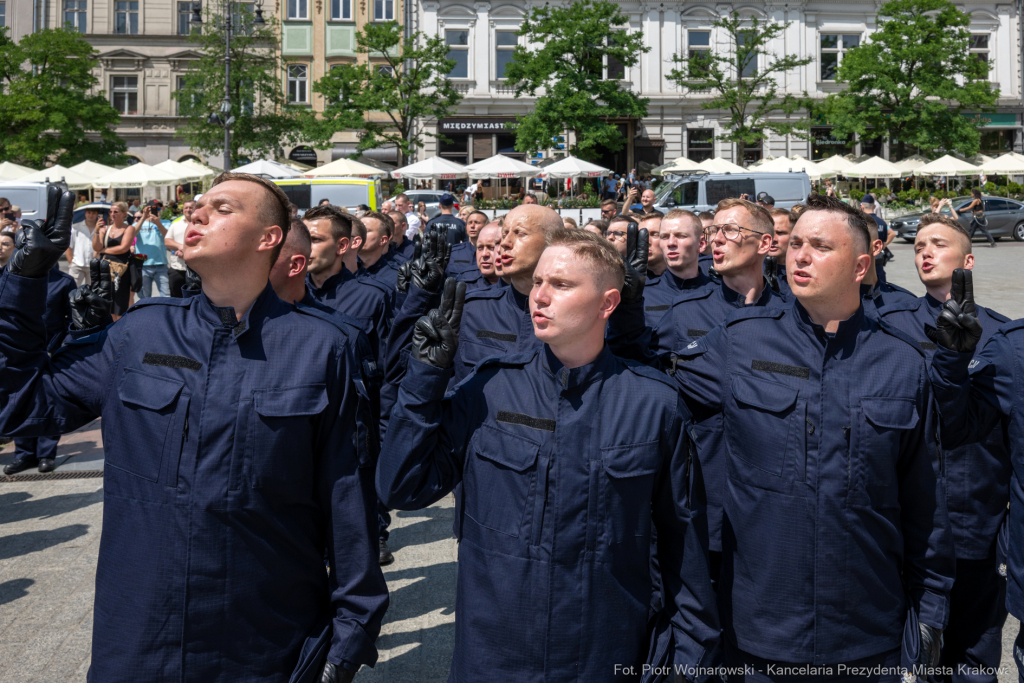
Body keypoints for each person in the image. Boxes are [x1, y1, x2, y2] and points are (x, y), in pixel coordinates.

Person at [0, 177, 388, 682]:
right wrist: (25, 283)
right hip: (140, 631)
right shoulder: (140, 331)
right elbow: (21, 409)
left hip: (263, 636)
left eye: (221, 207)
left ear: (268, 238)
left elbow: (346, 496)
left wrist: (354, 630)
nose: (197, 213)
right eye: (198, 204)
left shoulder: (321, 347)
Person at [377, 231, 719, 682]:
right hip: (495, 653)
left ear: (607, 303)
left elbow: (683, 548)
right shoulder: (490, 389)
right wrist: (424, 379)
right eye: (538, 282)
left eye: (560, 285)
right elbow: (400, 486)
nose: (539, 296)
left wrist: (687, 665)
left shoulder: (652, 403)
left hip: (603, 651)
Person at [666, 193, 953, 679]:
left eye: (820, 246)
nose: (799, 255)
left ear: (861, 265)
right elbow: (648, 398)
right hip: (758, 630)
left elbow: (927, 509)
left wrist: (930, 619)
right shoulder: (738, 342)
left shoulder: (904, 364)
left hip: (866, 632)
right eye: (795, 243)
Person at [876, 214, 1010, 682]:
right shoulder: (888, 325)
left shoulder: (1001, 335)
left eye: (939, 244)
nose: (924, 252)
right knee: (918, 654)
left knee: (974, 654)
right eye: (918, 246)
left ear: (968, 261)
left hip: (976, 514)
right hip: (910, 515)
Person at [4, 254, 77, 475]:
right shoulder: (14, 280)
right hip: (20, 352)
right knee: (20, 400)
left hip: (51, 350)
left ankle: (46, 454)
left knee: (48, 400)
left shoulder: (63, 281)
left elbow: (72, 319)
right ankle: (24, 454)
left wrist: (59, 346)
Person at [305, 204, 394, 365]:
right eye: (303, 240)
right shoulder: (286, 293)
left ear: (342, 246)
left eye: (315, 240)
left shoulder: (373, 296)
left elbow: (388, 367)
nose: (305, 247)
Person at [640, 209, 711, 328]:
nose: (671, 243)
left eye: (681, 236)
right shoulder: (643, 296)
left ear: (701, 244)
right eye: (664, 237)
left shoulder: (721, 294)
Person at [92, 201, 138, 319]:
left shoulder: (129, 228)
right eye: (111, 211)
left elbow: (123, 248)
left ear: (123, 213)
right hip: (105, 269)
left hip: (121, 270)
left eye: (116, 212)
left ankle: (119, 327)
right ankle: (110, 329)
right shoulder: (105, 229)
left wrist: (103, 250)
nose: (112, 214)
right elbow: (96, 247)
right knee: (107, 300)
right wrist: (96, 231)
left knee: (120, 302)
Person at [135, 202, 170, 298]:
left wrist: (158, 223)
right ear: (145, 209)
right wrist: (143, 217)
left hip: (161, 264)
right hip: (142, 265)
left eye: (157, 209)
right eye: (150, 209)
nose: (153, 212)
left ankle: (165, 313)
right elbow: (132, 234)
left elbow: (168, 237)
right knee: (144, 297)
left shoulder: (166, 223)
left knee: (166, 295)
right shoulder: (137, 223)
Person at [457, 222, 505, 292]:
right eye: (480, 248)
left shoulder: (520, 284)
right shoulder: (465, 278)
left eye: (491, 247)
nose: (484, 254)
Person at [860, 194, 895, 281]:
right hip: (878, 260)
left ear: (862, 206)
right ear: (874, 206)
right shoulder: (882, 222)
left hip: (863, 261)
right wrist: (883, 245)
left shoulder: (860, 221)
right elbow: (892, 233)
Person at [65, 204, 101, 288]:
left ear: (97, 214)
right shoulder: (75, 227)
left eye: (93, 213)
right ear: (85, 214)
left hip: (94, 265)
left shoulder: (101, 228)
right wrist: (71, 262)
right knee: (72, 290)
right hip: (77, 264)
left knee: (92, 292)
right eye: (89, 212)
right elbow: (68, 246)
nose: (91, 215)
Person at [165, 199, 194, 297]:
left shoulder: (202, 225)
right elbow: (167, 241)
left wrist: (187, 253)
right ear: (183, 210)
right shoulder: (175, 224)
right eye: (186, 207)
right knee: (175, 299)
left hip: (196, 270)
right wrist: (180, 247)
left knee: (195, 299)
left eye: (191, 207)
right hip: (177, 268)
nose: (188, 210)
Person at [446, 210, 487, 277]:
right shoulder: (454, 252)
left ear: (486, 226)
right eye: (469, 223)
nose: (472, 226)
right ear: (466, 227)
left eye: (477, 223)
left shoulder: (492, 252)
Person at [766, 207, 794, 298]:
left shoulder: (803, 271)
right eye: (768, 232)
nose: (773, 239)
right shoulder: (750, 271)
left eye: (780, 233)